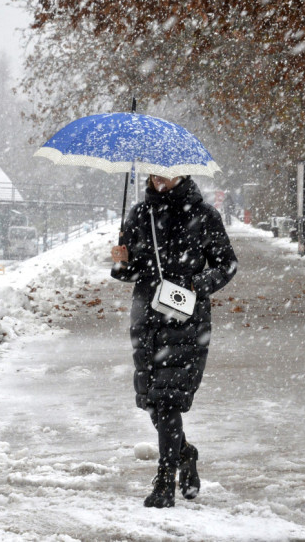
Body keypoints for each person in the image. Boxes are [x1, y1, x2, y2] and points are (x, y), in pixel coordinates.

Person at [110, 173, 238, 508]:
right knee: (152, 401)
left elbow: (227, 263)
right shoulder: (139, 214)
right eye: (154, 172)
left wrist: (197, 283)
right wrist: (122, 263)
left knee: (168, 400)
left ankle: (165, 481)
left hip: (186, 317)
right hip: (146, 318)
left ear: (182, 173)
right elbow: (132, 271)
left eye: (167, 172)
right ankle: (186, 454)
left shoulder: (203, 214)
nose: (160, 178)